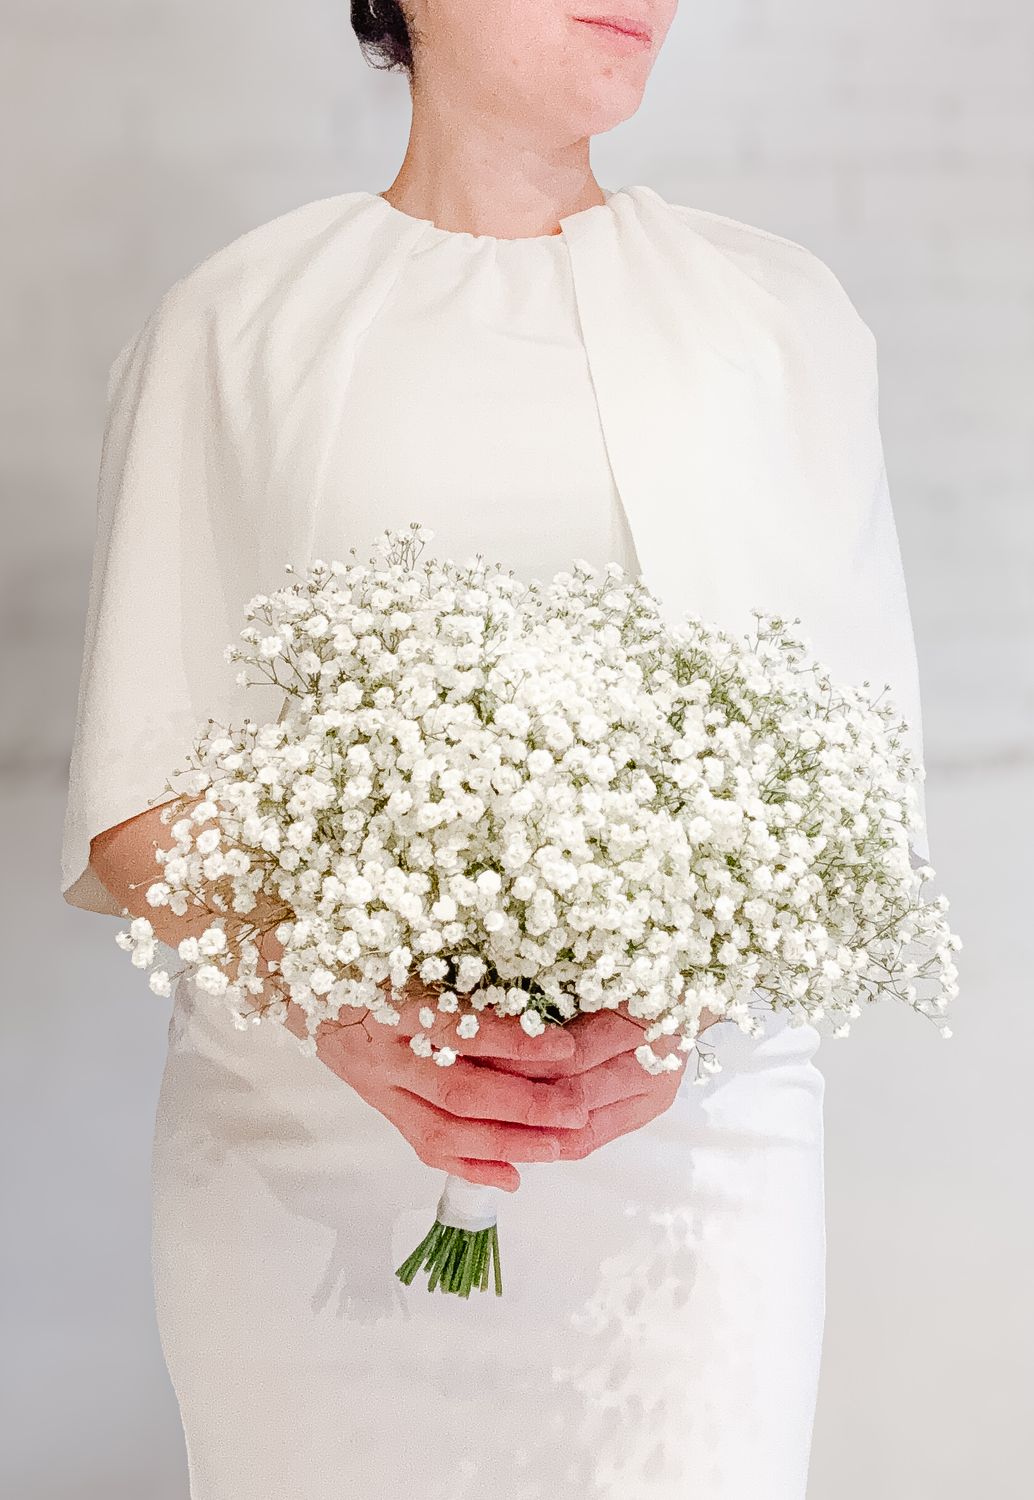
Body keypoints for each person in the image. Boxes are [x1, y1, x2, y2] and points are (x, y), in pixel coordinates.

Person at [60, 2, 929, 1496]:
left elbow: (859, 798)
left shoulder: (778, 319)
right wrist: (339, 1007)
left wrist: (666, 1035)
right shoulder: (241, 318)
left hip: (689, 1161)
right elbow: (136, 803)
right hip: (303, 1152)